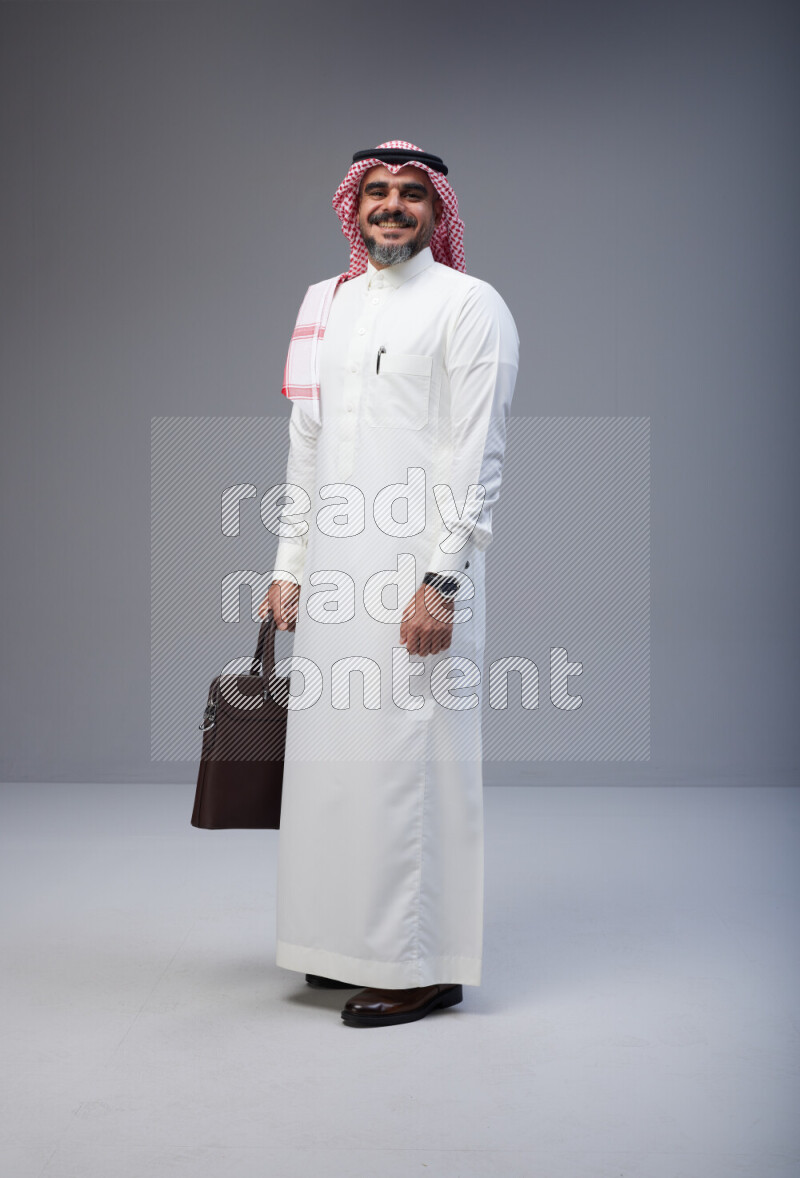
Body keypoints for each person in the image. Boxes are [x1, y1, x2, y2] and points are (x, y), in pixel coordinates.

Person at [258, 140, 519, 1027]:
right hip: (334, 575)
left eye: (412, 194)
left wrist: (443, 580)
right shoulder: (322, 304)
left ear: (437, 211)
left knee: (413, 765)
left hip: (417, 573)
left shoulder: (470, 306)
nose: (393, 207)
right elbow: (306, 442)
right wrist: (289, 566)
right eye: (378, 192)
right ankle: (341, 947)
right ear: (353, 206)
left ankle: (420, 964)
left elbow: (477, 452)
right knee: (337, 771)